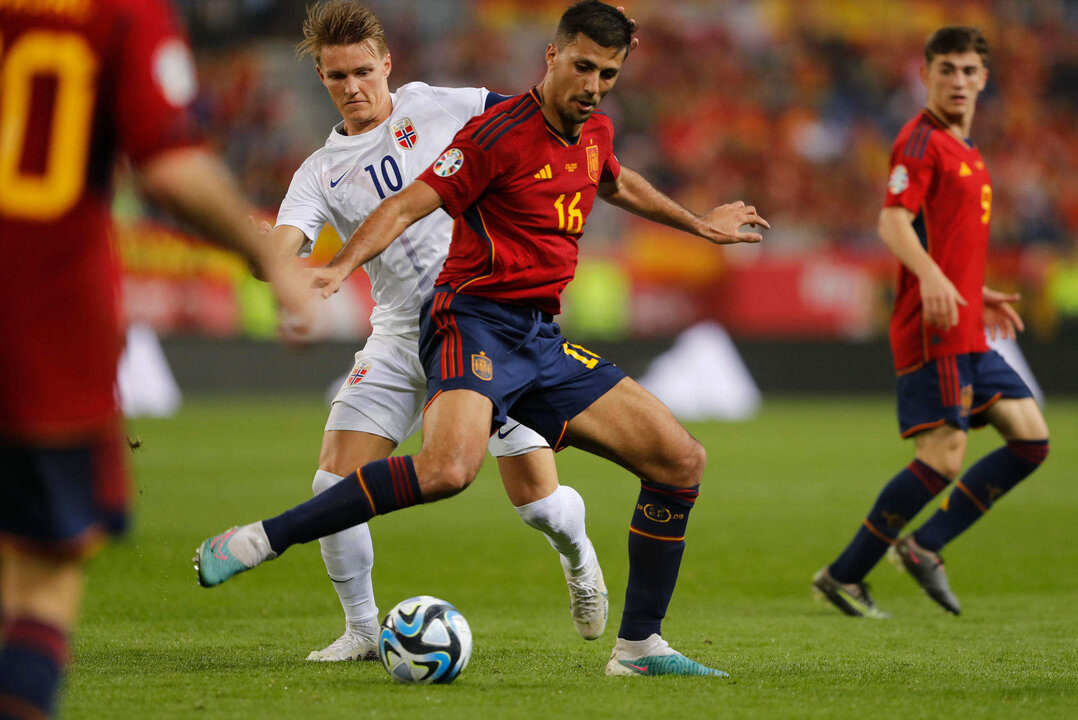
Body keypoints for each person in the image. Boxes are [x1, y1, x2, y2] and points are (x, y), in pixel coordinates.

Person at [196, 0, 766, 677]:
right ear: (552, 58)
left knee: (665, 465)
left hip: (531, 337)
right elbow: (399, 206)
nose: (591, 85)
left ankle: (636, 642)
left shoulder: (481, 112)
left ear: (387, 66)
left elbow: (610, 178)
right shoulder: (456, 142)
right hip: (457, 321)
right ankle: (296, 569)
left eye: (605, 72)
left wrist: (699, 223)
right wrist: (311, 262)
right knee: (431, 470)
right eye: (336, 76)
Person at [213, 0, 612, 662]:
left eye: (363, 71)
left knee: (537, 504)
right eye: (337, 77)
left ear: (388, 64)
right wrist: (262, 252)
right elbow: (286, 250)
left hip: (488, 319)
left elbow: (532, 118)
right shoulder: (317, 172)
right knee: (331, 484)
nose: (353, 88)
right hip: (401, 333)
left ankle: (577, 554)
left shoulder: (437, 105)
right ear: (320, 76)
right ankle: (363, 630)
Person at [0, 1, 311, 718]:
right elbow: (170, 169)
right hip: (38, 323)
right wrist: (262, 250)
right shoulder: (117, 11)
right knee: (41, 579)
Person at [812, 26, 1050, 618]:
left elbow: (946, 240)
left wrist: (973, 288)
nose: (959, 81)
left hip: (964, 316)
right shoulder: (919, 142)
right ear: (926, 75)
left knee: (1030, 438)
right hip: (933, 324)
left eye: (970, 71)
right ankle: (845, 575)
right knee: (943, 459)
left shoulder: (965, 149)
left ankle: (925, 545)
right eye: (947, 69)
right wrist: (938, 282)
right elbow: (893, 222)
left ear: (984, 79)